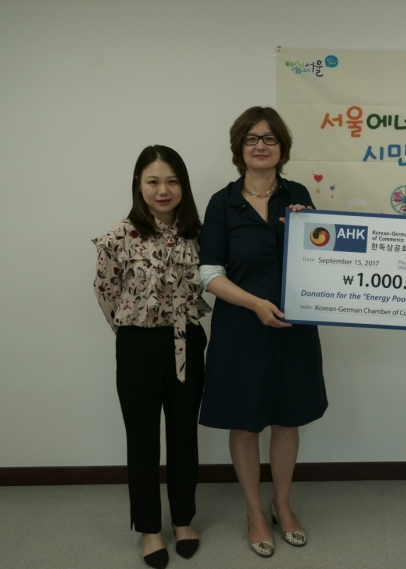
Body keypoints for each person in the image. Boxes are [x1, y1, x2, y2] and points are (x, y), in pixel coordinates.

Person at [198, 107, 328, 558]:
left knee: (288, 418)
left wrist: (307, 230)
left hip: (294, 327)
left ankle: (282, 504)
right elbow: (209, 274)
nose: (260, 145)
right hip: (240, 328)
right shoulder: (222, 202)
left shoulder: (298, 195)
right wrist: (254, 303)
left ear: (281, 148)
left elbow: (322, 261)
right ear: (239, 147)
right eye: (251, 138)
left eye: (269, 138)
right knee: (245, 421)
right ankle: (254, 510)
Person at [93, 146, 211, 569]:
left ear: (183, 186)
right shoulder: (119, 236)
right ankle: (149, 529)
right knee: (142, 440)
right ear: (139, 185)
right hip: (138, 346)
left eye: (172, 181)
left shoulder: (199, 233)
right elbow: (106, 292)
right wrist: (134, 329)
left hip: (187, 343)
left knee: (183, 436)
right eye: (153, 181)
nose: (163, 190)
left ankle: (183, 520)